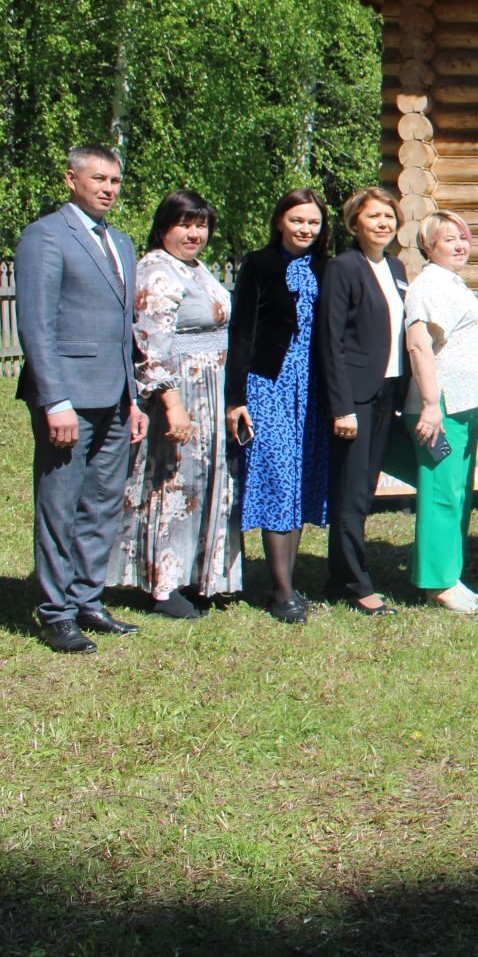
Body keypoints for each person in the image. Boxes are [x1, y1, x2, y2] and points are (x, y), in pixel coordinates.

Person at [16, 144, 146, 652]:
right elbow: (36, 326)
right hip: (68, 400)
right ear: (71, 179)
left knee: (101, 504)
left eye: (115, 180)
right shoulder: (46, 236)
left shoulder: (123, 242)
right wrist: (55, 402)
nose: (109, 189)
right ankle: (55, 612)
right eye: (99, 179)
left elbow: (123, 332)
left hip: (115, 398)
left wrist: (133, 399)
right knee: (60, 506)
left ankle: (88, 599)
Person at [109, 190, 240, 619]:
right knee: (172, 487)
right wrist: (172, 404)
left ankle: (199, 575)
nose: (194, 233)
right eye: (185, 224)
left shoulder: (195, 269)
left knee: (203, 482)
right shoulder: (156, 272)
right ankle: (162, 585)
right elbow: (150, 346)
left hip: (211, 387)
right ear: (164, 225)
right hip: (178, 393)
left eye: (201, 225)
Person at [227, 189, 331, 625]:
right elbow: (242, 332)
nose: (305, 229)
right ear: (279, 222)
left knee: (301, 480)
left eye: (313, 222)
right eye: (297, 220)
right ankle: (282, 592)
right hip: (269, 383)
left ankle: (289, 579)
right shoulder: (259, 264)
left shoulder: (330, 267)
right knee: (276, 476)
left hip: (314, 388)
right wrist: (236, 399)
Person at [317, 187, 407, 618]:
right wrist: (342, 407)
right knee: (352, 493)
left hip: (388, 390)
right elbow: (330, 341)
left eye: (388, 216)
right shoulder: (343, 267)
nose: (383, 224)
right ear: (355, 223)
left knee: (364, 489)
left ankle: (339, 575)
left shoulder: (396, 267)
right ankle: (356, 583)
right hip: (355, 395)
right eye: (373, 217)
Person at [403, 211, 478, 614]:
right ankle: (437, 584)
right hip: (442, 406)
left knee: (458, 495)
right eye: (448, 239)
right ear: (428, 246)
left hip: (465, 407)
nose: (460, 245)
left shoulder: (453, 283)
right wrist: (429, 405)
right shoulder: (427, 285)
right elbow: (418, 345)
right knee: (441, 495)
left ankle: (451, 575)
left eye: (463, 237)